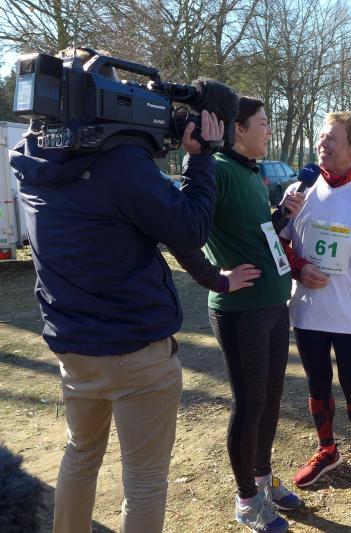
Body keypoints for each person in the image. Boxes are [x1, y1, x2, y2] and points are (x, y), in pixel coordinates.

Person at [9, 61, 224, 532]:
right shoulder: (121, 165)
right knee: (144, 480)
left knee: (80, 454)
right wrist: (201, 159)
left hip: (73, 347)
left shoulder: (29, 159)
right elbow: (190, 227)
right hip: (136, 350)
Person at [170, 97, 304, 533]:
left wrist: (281, 215)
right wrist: (217, 278)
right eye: (263, 123)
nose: (269, 130)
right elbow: (182, 233)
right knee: (250, 405)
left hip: (273, 305)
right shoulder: (218, 169)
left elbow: (254, 231)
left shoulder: (249, 172)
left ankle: (262, 479)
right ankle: (247, 501)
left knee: (270, 400)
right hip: (241, 312)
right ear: (238, 129)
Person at [280, 111, 351, 499]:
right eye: (320, 136)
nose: (322, 144)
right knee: (317, 386)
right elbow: (276, 244)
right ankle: (327, 450)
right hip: (307, 312)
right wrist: (298, 268)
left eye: (332, 138)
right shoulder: (299, 190)